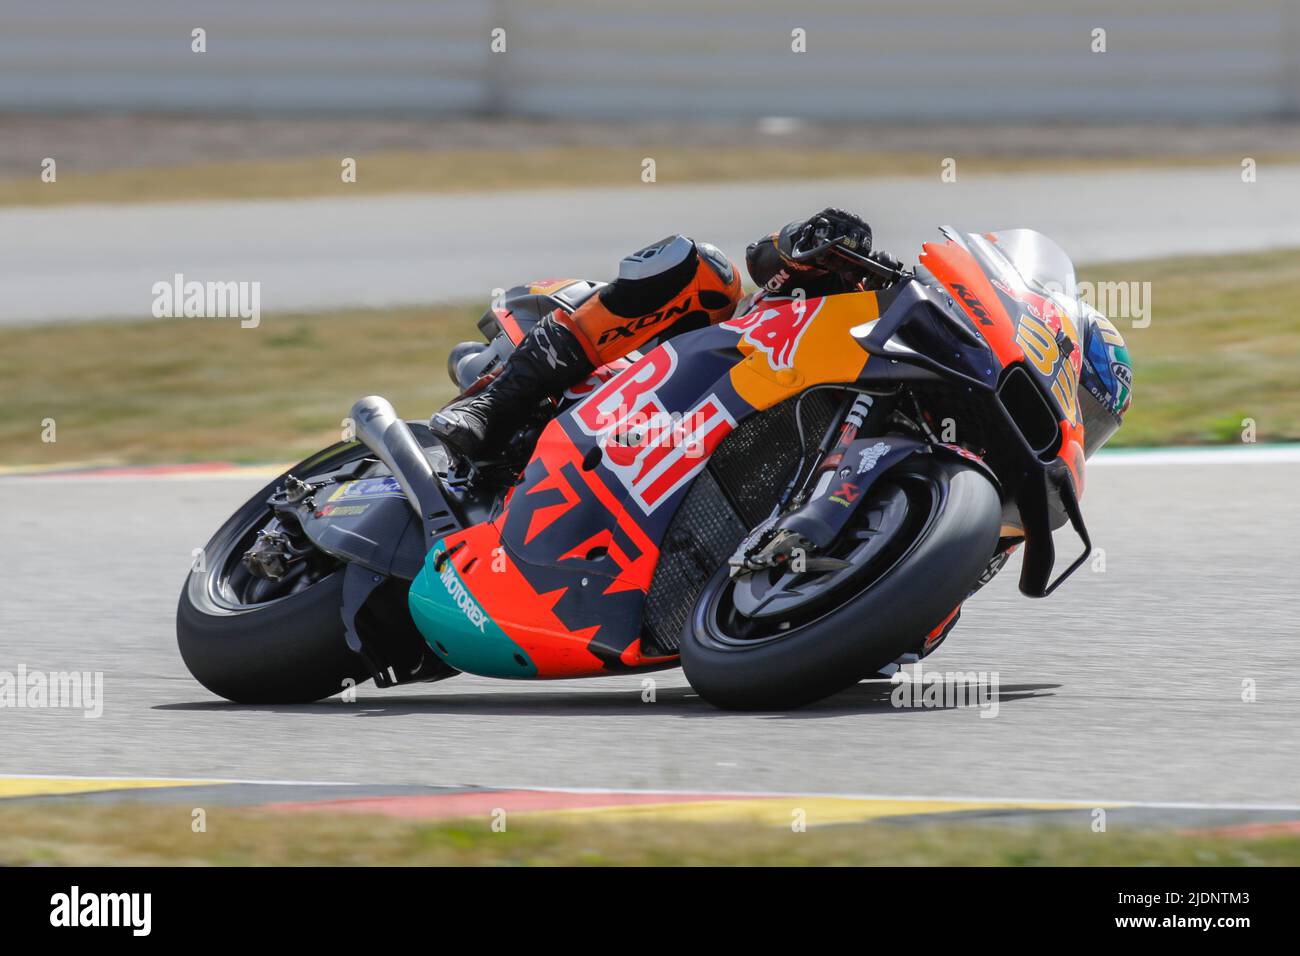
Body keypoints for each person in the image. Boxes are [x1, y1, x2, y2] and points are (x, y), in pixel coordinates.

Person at [430, 208, 1129, 461]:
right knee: (701, 268)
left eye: (1090, 427)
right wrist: (814, 242)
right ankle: (495, 402)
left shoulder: (977, 513)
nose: (1077, 426)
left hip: (688, 479)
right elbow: (768, 261)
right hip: (669, 375)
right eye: (1080, 403)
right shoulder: (886, 303)